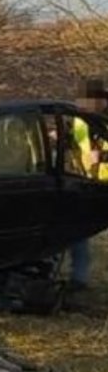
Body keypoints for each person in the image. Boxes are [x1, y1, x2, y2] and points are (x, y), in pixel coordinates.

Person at [69, 79, 108, 292]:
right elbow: (79, 148)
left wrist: (101, 156)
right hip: (88, 183)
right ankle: (79, 277)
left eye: (87, 101)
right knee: (78, 229)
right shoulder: (79, 122)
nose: (82, 105)